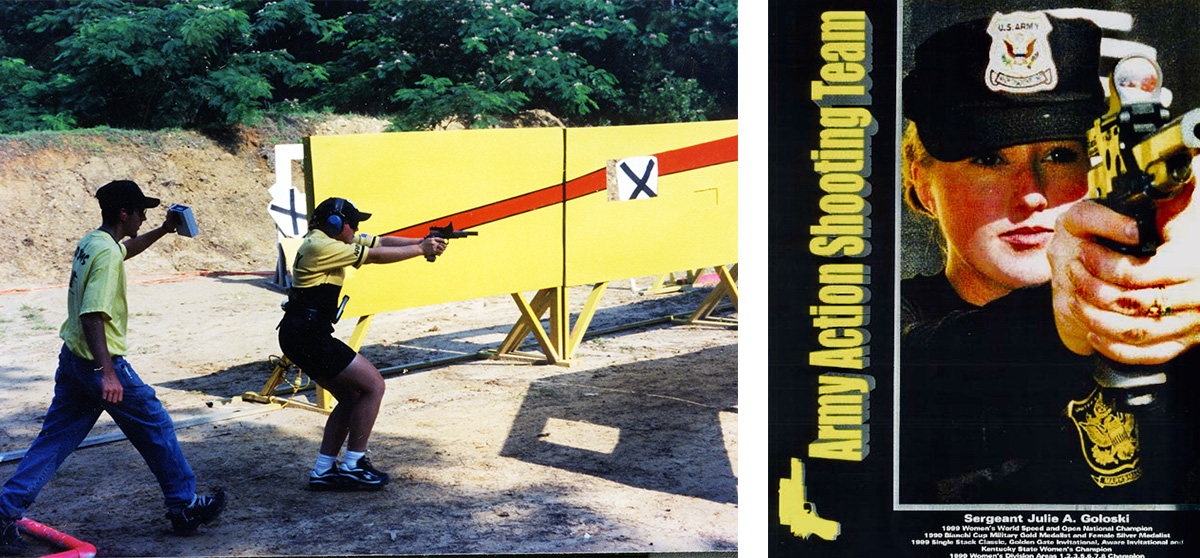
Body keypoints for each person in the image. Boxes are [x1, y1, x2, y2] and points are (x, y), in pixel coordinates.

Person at [899, 11, 1200, 503]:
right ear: (921, 183)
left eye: (1060, 155)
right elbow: (911, 380)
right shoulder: (870, 325)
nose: (1032, 195)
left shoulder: (1177, 305)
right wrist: (1067, 308)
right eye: (989, 159)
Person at [0, 180, 225, 554]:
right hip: (98, 363)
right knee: (156, 426)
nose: (144, 216)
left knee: (54, 442)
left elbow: (124, 250)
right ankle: (183, 506)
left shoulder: (95, 242)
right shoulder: (104, 254)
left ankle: (4, 512)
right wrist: (107, 373)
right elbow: (93, 314)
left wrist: (165, 229)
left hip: (73, 360)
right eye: (141, 212)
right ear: (125, 213)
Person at [278, 197, 447, 491]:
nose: (356, 229)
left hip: (303, 332)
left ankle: (323, 471)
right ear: (334, 224)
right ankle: (353, 465)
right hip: (306, 334)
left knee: (352, 397)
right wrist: (422, 250)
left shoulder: (328, 238)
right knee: (374, 385)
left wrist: (422, 240)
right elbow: (375, 256)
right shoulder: (321, 246)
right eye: (352, 224)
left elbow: (382, 242)